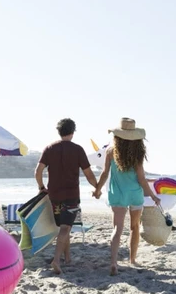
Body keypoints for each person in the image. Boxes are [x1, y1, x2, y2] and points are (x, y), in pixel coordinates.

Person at [93, 118, 161, 276]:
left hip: (117, 194)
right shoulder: (137, 154)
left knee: (117, 229)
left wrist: (97, 190)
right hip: (135, 194)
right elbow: (142, 180)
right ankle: (132, 259)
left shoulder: (110, 151)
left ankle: (113, 263)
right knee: (134, 227)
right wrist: (153, 196)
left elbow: (104, 173)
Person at [35, 118, 99, 275]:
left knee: (63, 227)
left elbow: (38, 171)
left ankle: (68, 258)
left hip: (54, 196)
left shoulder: (49, 148)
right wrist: (97, 187)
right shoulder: (77, 150)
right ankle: (56, 260)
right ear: (73, 132)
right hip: (71, 195)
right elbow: (89, 174)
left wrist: (41, 187)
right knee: (65, 228)